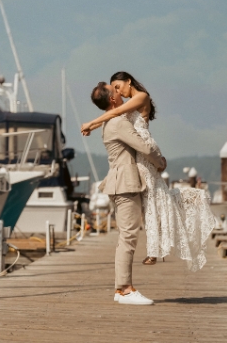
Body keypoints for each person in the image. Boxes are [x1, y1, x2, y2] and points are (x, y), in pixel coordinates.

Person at [83, 72, 215, 272]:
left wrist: (91, 124)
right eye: (114, 89)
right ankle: (156, 247)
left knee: (154, 197)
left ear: (128, 81)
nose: (118, 91)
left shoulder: (141, 97)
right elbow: (112, 114)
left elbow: (112, 114)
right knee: (155, 198)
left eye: (118, 86)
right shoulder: (125, 107)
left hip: (144, 148)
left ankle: (155, 249)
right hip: (139, 151)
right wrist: (94, 124)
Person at [91, 81, 166, 305]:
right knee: (129, 236)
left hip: (123, 182)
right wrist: (160, 162)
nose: (122, 91)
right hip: (124, 184)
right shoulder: (117, 122)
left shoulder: (113, 120)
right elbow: (144, 146)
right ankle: (124, 289)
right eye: (116, 89)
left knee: (128, 235)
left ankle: (123, 288)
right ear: (113, 99)